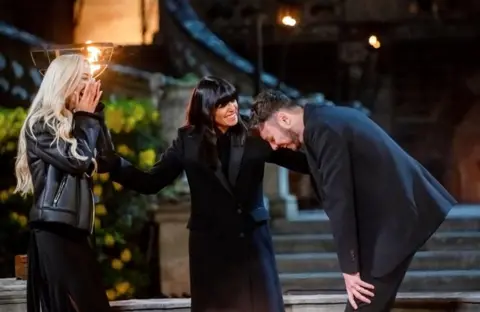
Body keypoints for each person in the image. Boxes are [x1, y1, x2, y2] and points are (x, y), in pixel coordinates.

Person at [110, 76, 309, 312]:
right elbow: (151, 182)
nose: (232, 107)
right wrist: (113, 165)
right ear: (207, 109)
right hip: (210, 247)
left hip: (252, 244)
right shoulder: (187, 141)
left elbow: (302, 163)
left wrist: (334, 153)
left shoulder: (256, 134)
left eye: (233, 100)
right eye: (223, 104)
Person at [249, 89, 457, 312]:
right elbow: (314, 165)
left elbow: (340, 200)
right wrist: (267, 153)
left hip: (397, 218)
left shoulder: (324, 129)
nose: (273, 144)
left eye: (272, 138)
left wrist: (350, 269)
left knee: (364, 303)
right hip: (389, 217)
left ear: (284, 118)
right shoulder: (321, 120)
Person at [14, 54, 114, 312]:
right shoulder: (40, 124)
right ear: (64, 81)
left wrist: (96, 115)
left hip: (77, 233)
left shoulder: (79, 123)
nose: (90, 83)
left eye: (92, 77)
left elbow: (105, 160)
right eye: (83, 77)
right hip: (53, 232)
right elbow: (77, 161)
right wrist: (85, 118)